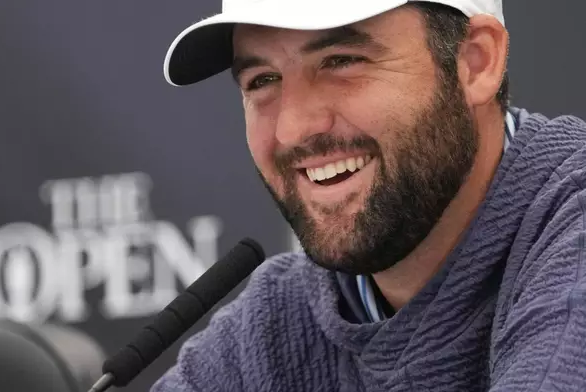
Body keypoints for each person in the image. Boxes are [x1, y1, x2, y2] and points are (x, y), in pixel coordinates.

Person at [155, 0, 586, 390]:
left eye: (341, 61)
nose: (293, 129)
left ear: (476, 62)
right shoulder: (273, 327)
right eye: (262, 79)